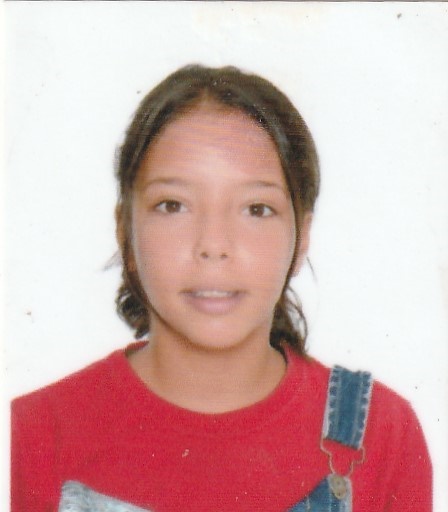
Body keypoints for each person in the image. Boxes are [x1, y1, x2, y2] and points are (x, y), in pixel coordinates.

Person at [10, 64, 431, 512]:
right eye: (173, 205)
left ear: (302, 236)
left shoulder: (382, 434)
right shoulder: (31, 436)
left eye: (256, 209)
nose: (213, 245)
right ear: (125, 231)